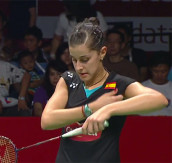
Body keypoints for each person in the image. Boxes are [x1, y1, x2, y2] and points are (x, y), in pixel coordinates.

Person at [40, 18, 168, 162]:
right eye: (74, 60)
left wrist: (108, 109)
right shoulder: (68, 80)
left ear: (102, 52)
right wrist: (91, 108)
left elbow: (159, 100)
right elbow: (47, 120)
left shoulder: (118, 83)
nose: (79, 67)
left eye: (85, 59)